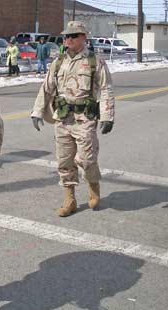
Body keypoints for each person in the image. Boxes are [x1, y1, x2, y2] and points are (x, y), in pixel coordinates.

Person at [31, 21, 115, 217]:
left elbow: (106, 89)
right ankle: (70, 199)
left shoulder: (95, 61)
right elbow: (46, 88)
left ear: (84, 37)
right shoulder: (58, 62)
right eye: (66, 36)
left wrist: (107, 115)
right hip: (63, 118)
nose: (68, 39)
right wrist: (37, 111)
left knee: (87, 159)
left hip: (85, 118)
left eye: (73, 36)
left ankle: (93, 184)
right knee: (64, 160)